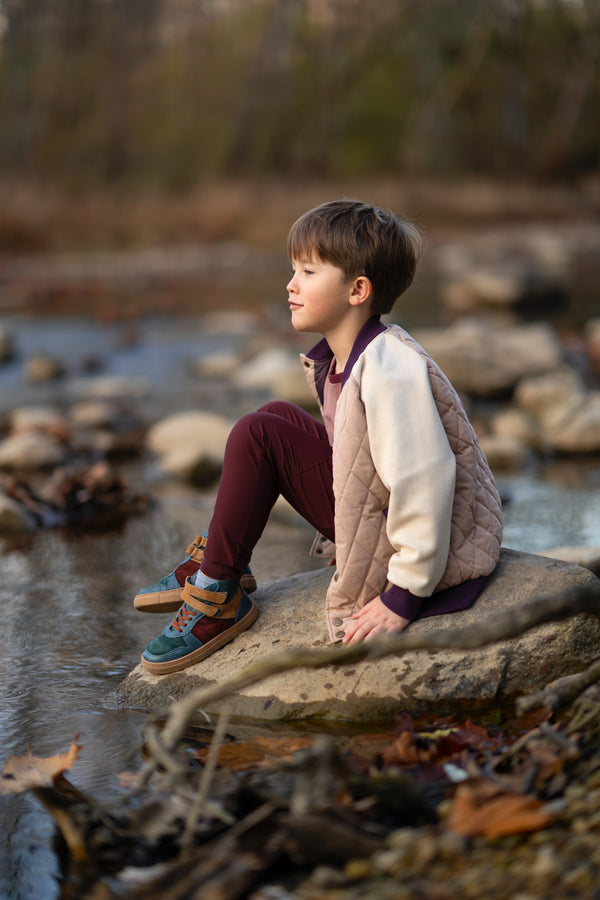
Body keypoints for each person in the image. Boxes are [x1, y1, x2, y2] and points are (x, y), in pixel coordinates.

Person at [136, 199, 503, 675]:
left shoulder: (390, 368)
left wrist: (404, 594)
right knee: (274, 415)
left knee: (258, 433)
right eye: (293, 269)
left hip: (430, 554)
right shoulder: (347, 356)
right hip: (386, 521)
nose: (290, 284)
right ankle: (223, 558)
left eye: (308, 272)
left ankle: (217, 591)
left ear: (358, 290)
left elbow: (425, 478)